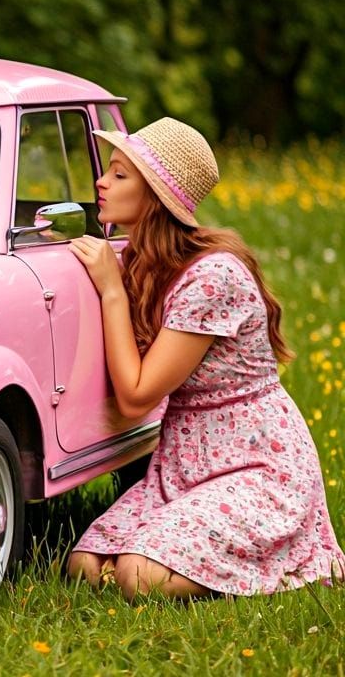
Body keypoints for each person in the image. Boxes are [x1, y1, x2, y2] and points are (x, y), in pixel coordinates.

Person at [65, 117, 345, 600]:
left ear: (154, 195)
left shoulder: (213, 277)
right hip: (185, 463)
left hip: (256, 466)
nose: (101, 182)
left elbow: (136, 397)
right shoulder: (140, 260)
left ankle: (287, 555)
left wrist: (111, 290)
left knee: (137, 575)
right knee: (84, 564)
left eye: (119, 174)